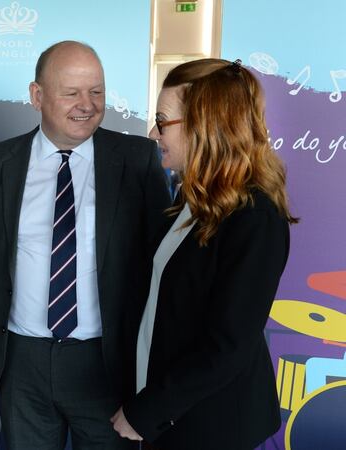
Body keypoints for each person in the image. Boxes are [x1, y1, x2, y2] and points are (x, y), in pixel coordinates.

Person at [0, 40, 172, 449]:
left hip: (107, 361)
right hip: (21, 361)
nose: (87, 104)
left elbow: (162, 262)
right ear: (37, 96)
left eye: (96, 91)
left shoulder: (138, 159)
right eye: (71, 93)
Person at [111, 58, 296, 449]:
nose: (153, 132)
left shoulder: (255, 217)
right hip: (169, 416)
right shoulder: (191, 200)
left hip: (209, 425)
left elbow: (227, 346)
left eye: (162, 121)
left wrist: (148, 411)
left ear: (204, 124)